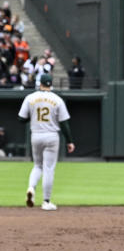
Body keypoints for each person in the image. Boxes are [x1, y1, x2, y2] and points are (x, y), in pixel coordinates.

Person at [19, 72, 75, 210]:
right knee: (48, 169)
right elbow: (64, 124)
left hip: (36, 135)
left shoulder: (30, 98)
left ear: (40, 83)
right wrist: (70, 141)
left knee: (37, 166)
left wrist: (31, 117)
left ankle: (31, 188)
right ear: (51, 84)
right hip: (52, 136)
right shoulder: (57, 99)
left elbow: (21, 119)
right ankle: (46, 201)